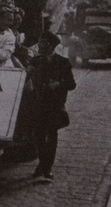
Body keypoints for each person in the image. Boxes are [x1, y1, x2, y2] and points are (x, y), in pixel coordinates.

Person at [27, 31, 76, 180]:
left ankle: (47, 168)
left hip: (54, 106)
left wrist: (58, 84)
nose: (39, 45)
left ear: (50, 45)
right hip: (38, 104)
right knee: (39, 137)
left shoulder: (63, 63)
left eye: (42, 43)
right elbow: (26, 77)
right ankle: (42, 164)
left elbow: (71, 84)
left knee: (52, 136)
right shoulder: (35, 61)